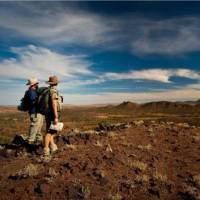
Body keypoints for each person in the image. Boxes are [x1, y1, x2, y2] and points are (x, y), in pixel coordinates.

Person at [43, 76, 62, 160]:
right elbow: (54, 104)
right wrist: (56, 116)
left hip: (48, 113)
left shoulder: (48, 91)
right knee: (49, 132)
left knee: (51, 130)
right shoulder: (53, 91)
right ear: (56, 83)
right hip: (52, 114)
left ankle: (52, 146)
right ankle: (46, 150)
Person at [26, 78, 44, 144]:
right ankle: (30, 143)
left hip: (38, 113)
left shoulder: (34, 91)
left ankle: (38, 142)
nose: (38, 84)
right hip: (35, 113)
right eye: (37, 83)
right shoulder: (31, 92)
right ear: (34, 84)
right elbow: (34, 102)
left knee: (38, 129)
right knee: (34, 129)